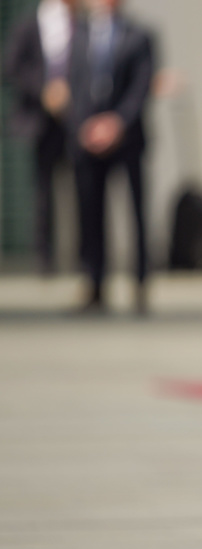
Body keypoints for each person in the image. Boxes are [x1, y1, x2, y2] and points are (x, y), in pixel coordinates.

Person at [66, 0, 155, 314]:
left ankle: (141, 284)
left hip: (127, 137)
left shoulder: (140, 34)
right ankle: (94, 285)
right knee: (90, 214)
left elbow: (141, 86)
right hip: (87, 138)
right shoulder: (78, 34)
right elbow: (74, 85)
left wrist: (116, 123)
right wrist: (85, 126)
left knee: (136, 211)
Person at [2, 0, 76, 276]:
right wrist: (45, 91)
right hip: (40, 121)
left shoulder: (81, 25)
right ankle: (45, 258)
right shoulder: (26, 26)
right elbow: (12, 66)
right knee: (43, 192)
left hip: (74, 120)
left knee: (82, 190)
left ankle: (83, 257)